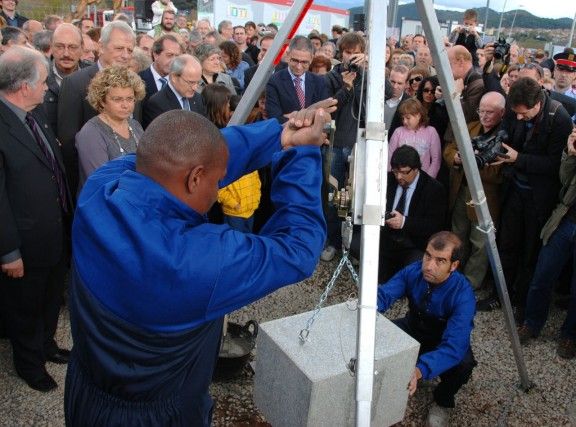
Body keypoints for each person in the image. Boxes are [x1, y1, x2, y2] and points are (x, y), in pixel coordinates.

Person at [64, 100, 332, 425]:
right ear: (194, 179)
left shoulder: (102, 187)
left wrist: (281, 135)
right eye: (217, 181)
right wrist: (300, 154)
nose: (218, 190)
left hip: (88, 394)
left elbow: (177, 153)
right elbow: (299, 247)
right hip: (160, 415)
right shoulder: (198, 261)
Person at [0, 46, 71, 392]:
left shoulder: (36, 113)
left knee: (49, 298)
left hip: (53, 233)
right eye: (43, 82)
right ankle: (29, 364)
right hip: (23, 243)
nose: (48, 88)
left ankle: (47, 346)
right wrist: (8, 251)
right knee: (24, 307)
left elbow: (52, 168)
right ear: (24, 86)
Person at [478, 77, 573, 315]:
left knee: (529, 252)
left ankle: (520, 302)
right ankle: (500, 294)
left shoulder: (559, 120)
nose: (519, 118)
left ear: (538, 104)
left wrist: (518, 159)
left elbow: (554, 165)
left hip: (539, 199)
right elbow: (508, 132)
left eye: (524, 114)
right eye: (516, 113)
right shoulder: (515, 109)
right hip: (514, 191)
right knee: (507, 245)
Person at [377, 231, 476, 427]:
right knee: (375, 336)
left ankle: (442, 400)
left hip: (442, 340)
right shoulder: (413, 272)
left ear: (453, 266)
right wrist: (365, 309)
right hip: (413, 327)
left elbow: (454, 345)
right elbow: (384, 295)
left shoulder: (463, 295)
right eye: (427, 256)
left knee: (463, 365)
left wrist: (420, 370)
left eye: (440, 261)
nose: (429, 266)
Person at [58, 20, 136, 197]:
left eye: (130, 50)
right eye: (119, 48)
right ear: (101, 47)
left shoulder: (133, 83)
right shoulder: (75, 84)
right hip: (94, 190)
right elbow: (69, 144)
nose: (125, 55)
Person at [517, 128, 576, 359]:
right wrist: (571, 155)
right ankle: (532, 322)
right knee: (542, 276)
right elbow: (565, 179)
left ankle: (570, 335)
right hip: (565, 220)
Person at [443, 92, 505, 290]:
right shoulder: (470, 128)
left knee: (480, 243)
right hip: (461, 191)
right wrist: (457, 158)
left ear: (502, 113)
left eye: (490, 112)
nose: (484, 116)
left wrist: (475, 163)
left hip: (485, 197)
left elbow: (498, 173)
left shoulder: (504, 136)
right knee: (457, 235)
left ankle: (470, 283)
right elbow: (449, 149)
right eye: (481, 111)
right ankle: (452, 275)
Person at [377, 146, 446, 282]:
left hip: (413, 243)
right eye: (395, 172)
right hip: (386, 237)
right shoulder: (388, 179)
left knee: (412, 269)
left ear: (416, 169)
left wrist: (404, 222)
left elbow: (435, 225)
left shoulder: (433, 189)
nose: (399, 177)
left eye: (404, 172)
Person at [75, 66, 145, 190]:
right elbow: (101, 182)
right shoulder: (91, 133)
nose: (125, 105)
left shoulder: (135, 125)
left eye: (130, 99)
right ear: (102, 101)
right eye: (117, 99)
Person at [266, 35, 329, 123]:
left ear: (311, 58)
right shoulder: (275, 81)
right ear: (288, 55)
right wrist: (307, 118)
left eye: (304, 62)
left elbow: (323, 115)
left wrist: (291, 116)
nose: (299, 67)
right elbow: (275, 118)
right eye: (295, 60)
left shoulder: (319, 82)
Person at [43, 23, 87, 134]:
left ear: (82, 48)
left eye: (72, 47)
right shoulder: (39, 75)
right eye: (59, 46)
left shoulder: (94, 76)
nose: (66, 53)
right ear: (51, 47)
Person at [142, 54, 206, 128]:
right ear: (174, 77)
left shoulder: (198, 99)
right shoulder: (157, 103)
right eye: (191, 82)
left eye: (197, 82)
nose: (195, 88)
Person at [388, 98, 441, 179]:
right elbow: (389, 155)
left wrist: (428, 180)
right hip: (401, 178)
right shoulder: (398, 132)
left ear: (418, 116)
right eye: (403, 118)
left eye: (408, 118)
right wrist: (393, 176)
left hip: (423, 179)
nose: (404, 121)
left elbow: (436, 159)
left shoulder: (431, 132)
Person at [138, 34, 182, 104]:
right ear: (156, 55)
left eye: (177, 56)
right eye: (169, 55)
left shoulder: (181, 82)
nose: (174, 61)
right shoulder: (139, 79)